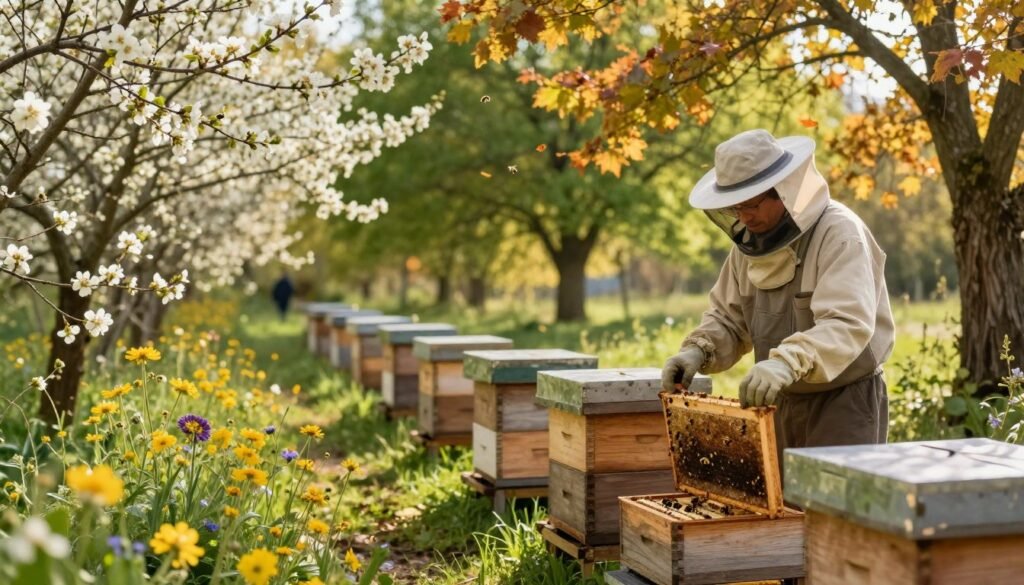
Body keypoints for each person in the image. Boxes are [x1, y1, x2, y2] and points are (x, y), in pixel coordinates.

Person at [661, 129, 894, 458]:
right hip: (779, 400)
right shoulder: (749, 246)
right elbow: (729, 318)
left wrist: (786, 362)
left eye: (751, 204)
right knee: (784, 509)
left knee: (834, 508)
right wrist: (698, 351)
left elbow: (847, 324)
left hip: (843, 402)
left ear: (782, 191)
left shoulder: (840, 233)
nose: (743, 217)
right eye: (734, 208)